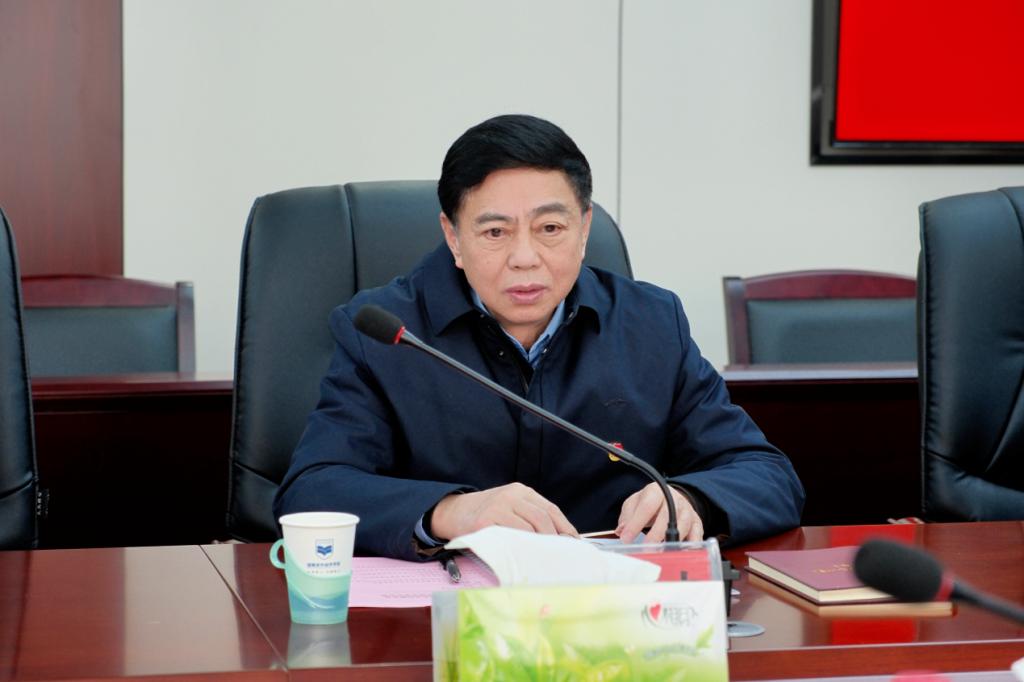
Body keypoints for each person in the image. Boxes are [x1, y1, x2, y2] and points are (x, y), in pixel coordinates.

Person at [274, 114, 804, 560]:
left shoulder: (651, 324)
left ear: (584, 228)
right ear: (453, 237)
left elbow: (768, 475)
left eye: (550, 228)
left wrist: (694, 499)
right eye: (495, 232)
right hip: (444, 615)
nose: (525, 257)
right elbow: (310, 492)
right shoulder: (387, 332)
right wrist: (453, 511)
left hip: (615, 612)